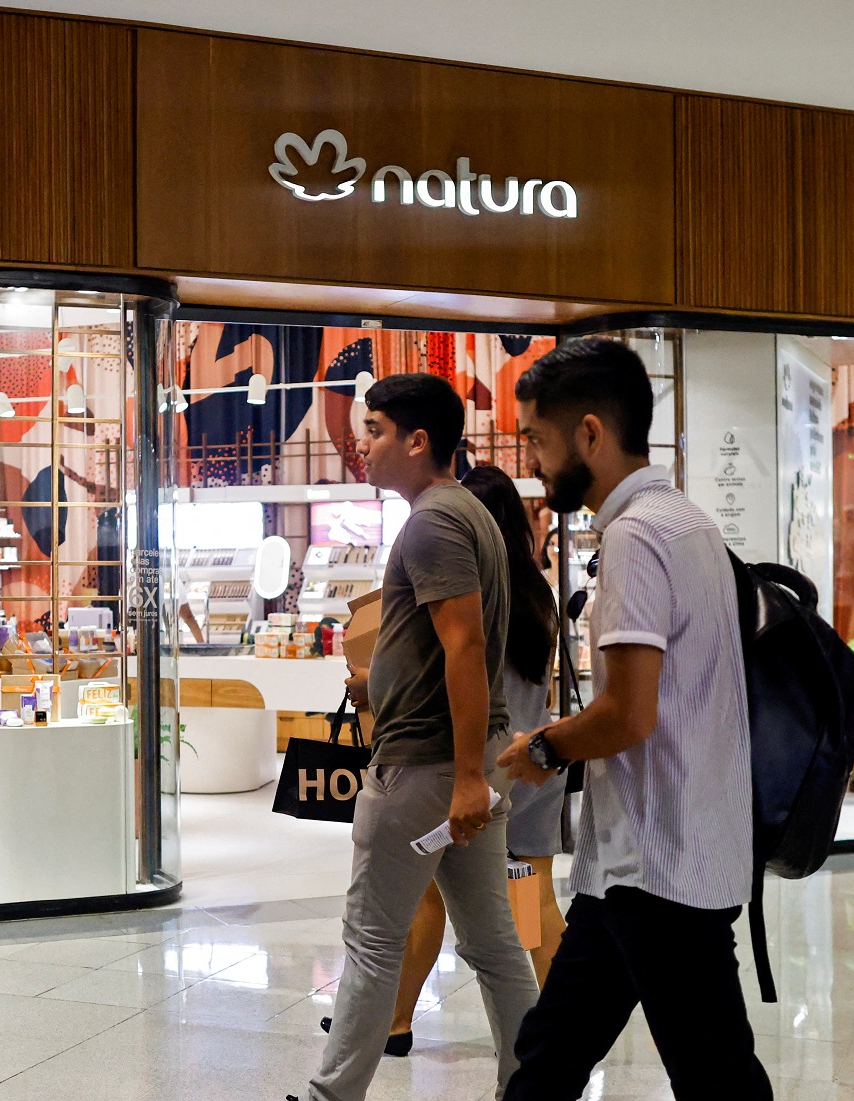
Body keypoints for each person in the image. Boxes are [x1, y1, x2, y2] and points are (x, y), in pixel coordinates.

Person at [496, 337, 772, 1100]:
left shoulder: (634, 534)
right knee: (548, 1054)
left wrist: (542, 748)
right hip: (653, 857)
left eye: (540, 441)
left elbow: (628, 713)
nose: (538, 461)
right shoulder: (688, 522)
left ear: (590, 433)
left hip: (658, 867)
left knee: (715, 1076)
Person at [291, 373, 538, 1101]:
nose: (360, 445)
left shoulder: (433, 521)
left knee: (371, 940)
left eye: (372, 430)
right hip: (461, 762)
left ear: (417, 439)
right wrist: (383, 682)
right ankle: (531, 1085)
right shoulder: (466, 513)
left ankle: (330, 1095)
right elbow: (445, 647)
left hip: (425, 769)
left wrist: (464, 776)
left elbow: (464, 644)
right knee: (493, 943)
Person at [349, 464, 566, 1056]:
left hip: (479, 761)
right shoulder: (535, 595)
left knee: (446, 908)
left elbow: (459, 673)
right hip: (529, 765)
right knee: (528, 906)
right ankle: (549, 1025)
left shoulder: (471, 593)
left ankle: (397, 1020)